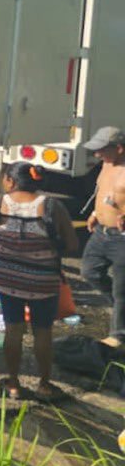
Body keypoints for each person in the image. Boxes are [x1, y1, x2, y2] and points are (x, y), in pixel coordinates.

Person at [0, 162, 79, 402]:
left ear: (10, 181)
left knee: (13, 329)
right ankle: (44, 385)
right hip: (42, 280)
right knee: (42, 331)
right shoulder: (51, 207)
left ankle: (13, 383)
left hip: (6, 277)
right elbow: (72, 245)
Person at [82, 127, 125, 347]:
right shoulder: (107, 165)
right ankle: (121, 310)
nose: (97, 154)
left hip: (122, 237)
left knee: (121, 286)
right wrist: (94, 213)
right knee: (90, 272)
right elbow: (102, 192)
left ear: (118, 148)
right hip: (101, 232)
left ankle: (118, 335)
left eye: (102, 150)